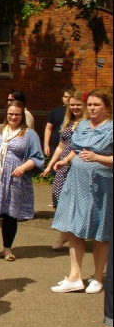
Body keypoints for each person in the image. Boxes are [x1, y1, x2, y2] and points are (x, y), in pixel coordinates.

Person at [50, 89, 112, 294]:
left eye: (97, 105)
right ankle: (75, 277)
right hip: (77, 184)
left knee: (100, 232)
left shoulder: (111, 128)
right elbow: (76, 149)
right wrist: (65, 160)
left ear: (107, 107)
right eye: (91, 105)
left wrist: (98, 158)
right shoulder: (83, 125)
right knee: (74, 228)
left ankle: (97, 277)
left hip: (102, 187)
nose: (92, 108)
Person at [0, 100, 44, 261]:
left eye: (17, 115)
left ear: (22, 116)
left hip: (14, 179)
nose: (13, 117)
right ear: (6, 114)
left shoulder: (29, 134)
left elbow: (37, 157)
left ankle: (7, 249)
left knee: (10, 214)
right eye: (11, 114)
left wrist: (24, 167)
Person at [42, 91, 85, 249]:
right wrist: (50, 164)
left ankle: (67, 234)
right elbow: (61, 146)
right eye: (72, 104)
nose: (74, 107)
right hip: (63, 164)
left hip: (78, 163)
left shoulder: (87, 123)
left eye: (78, 104)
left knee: (74, 200)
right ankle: (66, 231)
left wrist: (67, 160)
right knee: (57, 195)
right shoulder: (68, 122)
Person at [44, 85, 76, 156]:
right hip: (55, 145)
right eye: (65, 97)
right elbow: (48, 128)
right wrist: (46, 145)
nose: (67, 99)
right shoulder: (55, 111)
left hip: (70, 146)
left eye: (69, 97)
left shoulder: (75, 111)